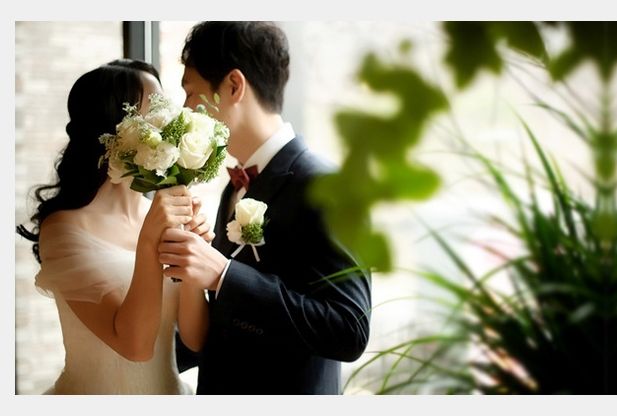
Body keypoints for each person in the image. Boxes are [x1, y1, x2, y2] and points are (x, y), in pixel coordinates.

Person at [162, 21, 372, 394]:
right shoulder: (233, 187)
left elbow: (349, 330)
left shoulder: (329, 188)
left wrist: (224, 275)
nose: (186, 109)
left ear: (233, 85)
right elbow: (226, 327)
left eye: (191, 93)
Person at [16, 59, 212, 394]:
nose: (170, 123)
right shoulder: (63, 230)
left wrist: (195, 254)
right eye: (155, 111)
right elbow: (135, 346)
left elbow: (195, 339)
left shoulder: (162, 214)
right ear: (115, 130)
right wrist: (149, 241)